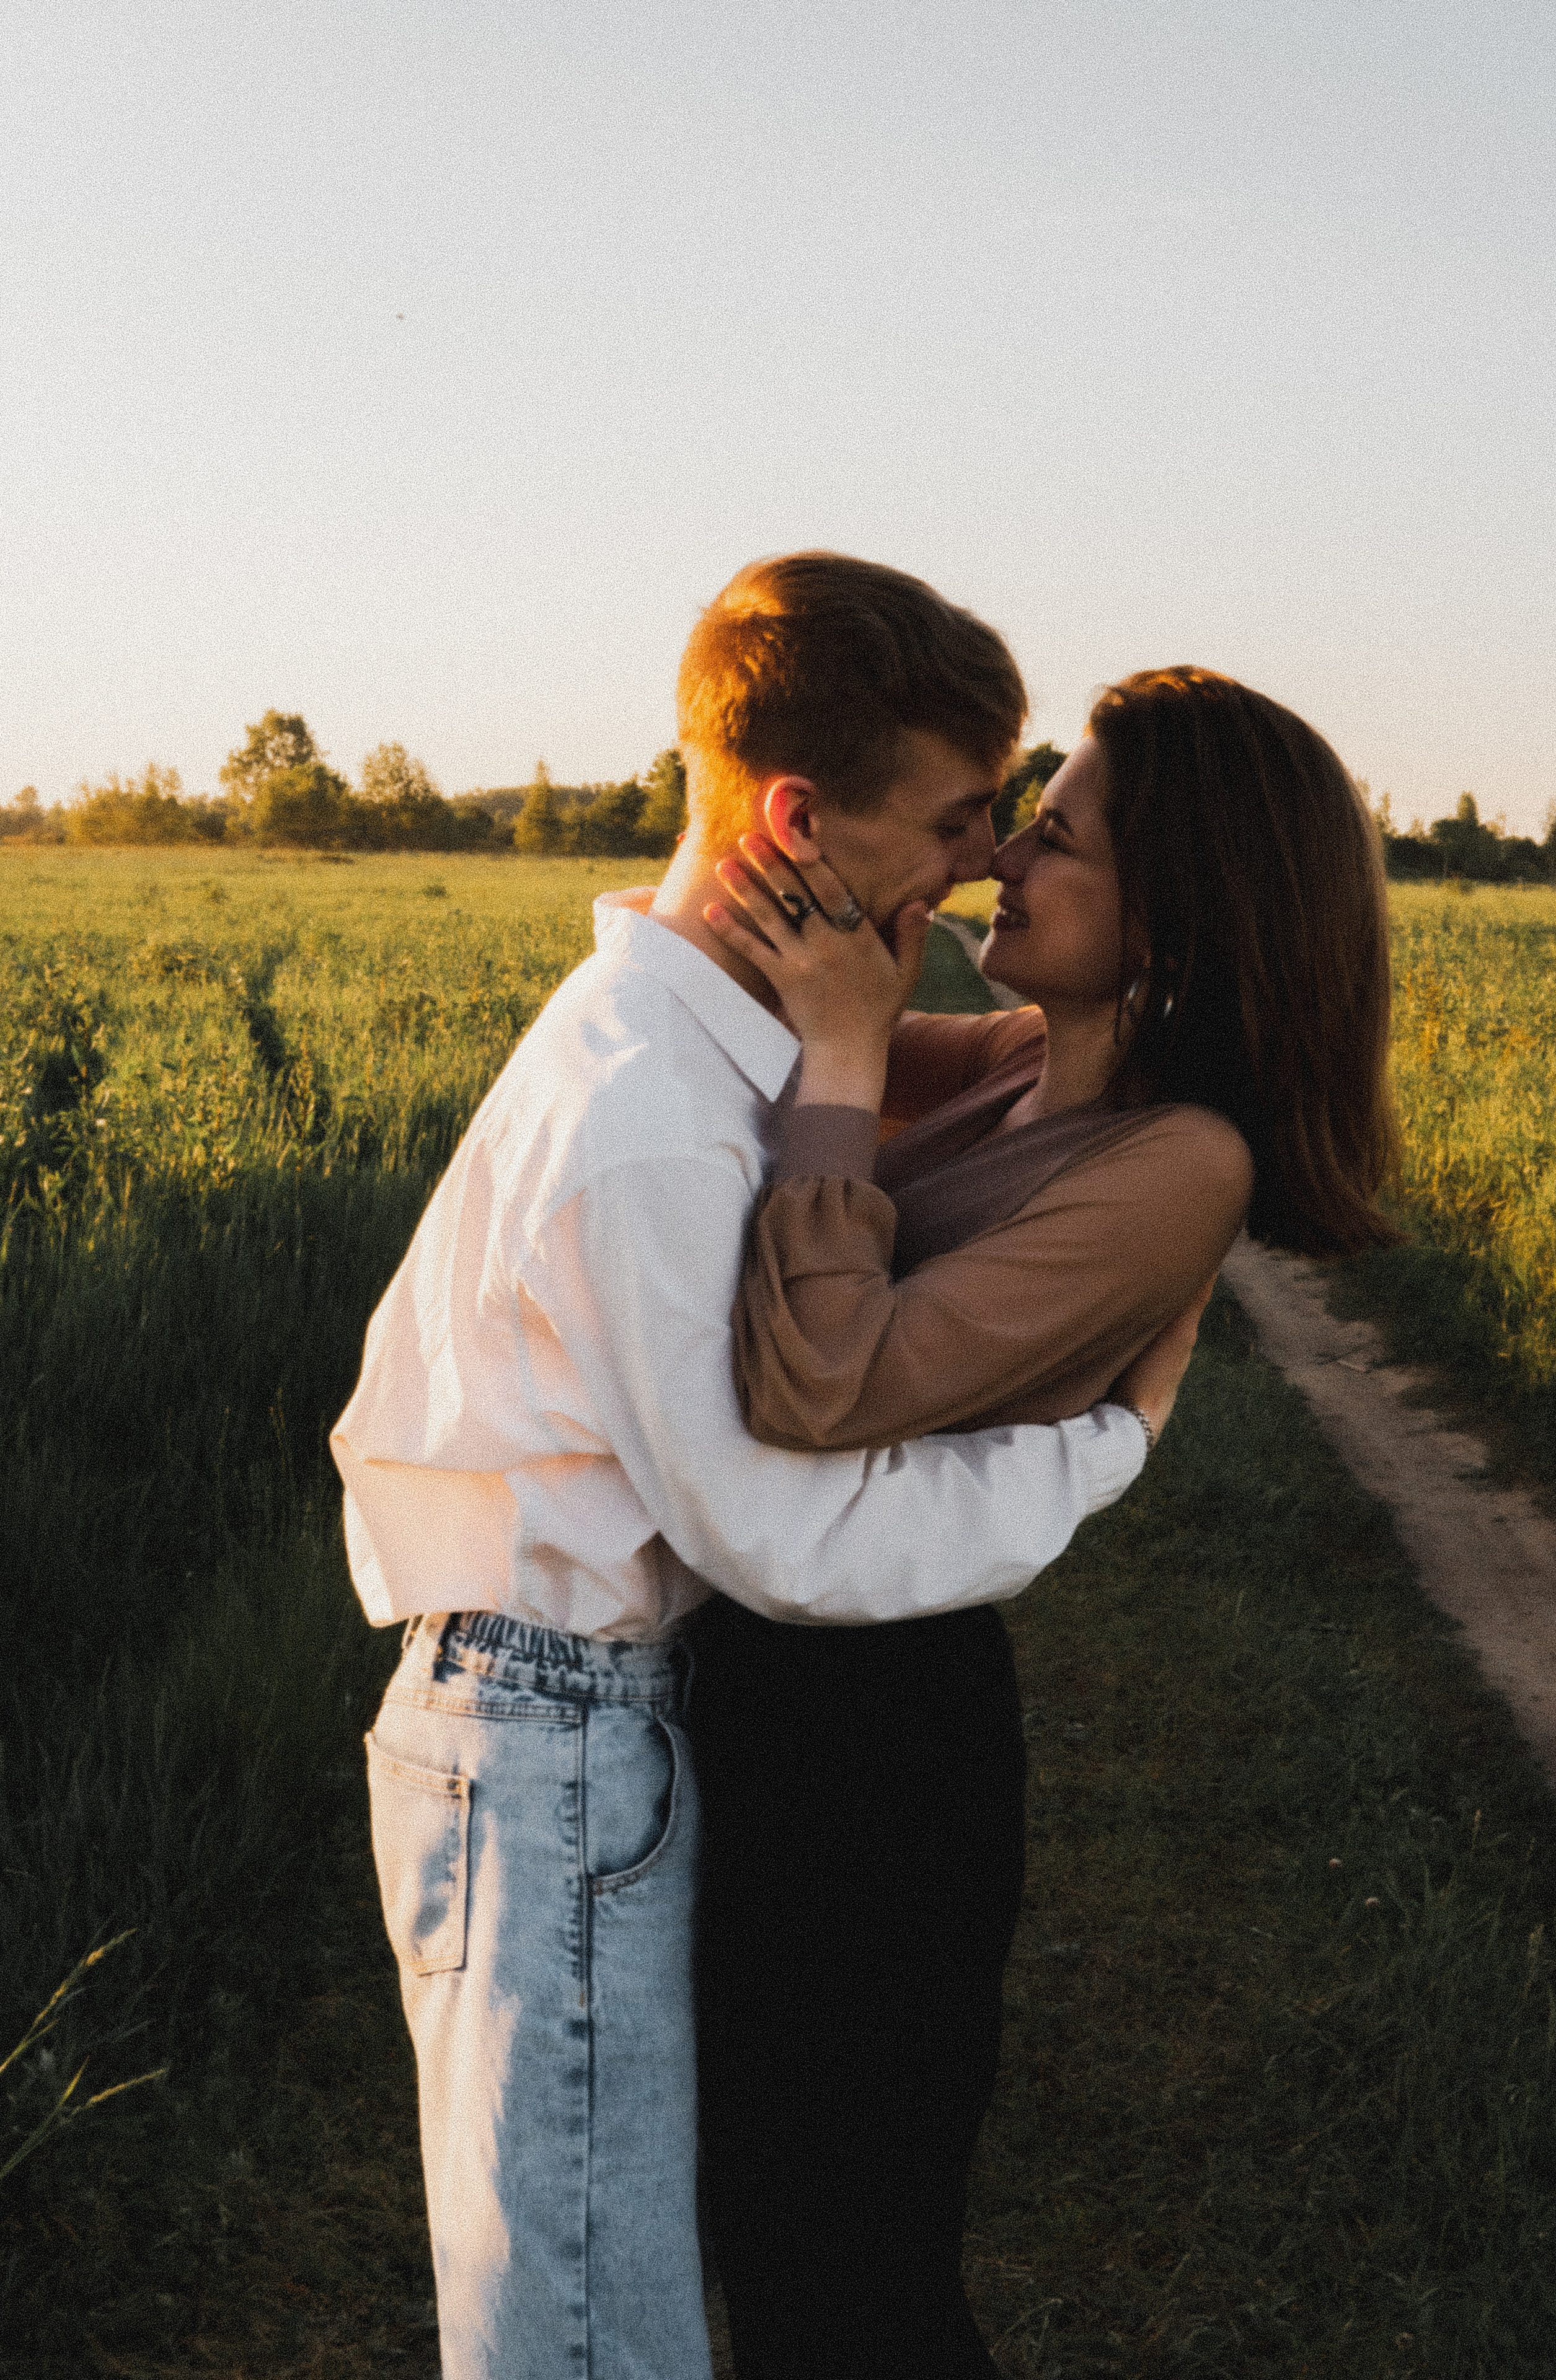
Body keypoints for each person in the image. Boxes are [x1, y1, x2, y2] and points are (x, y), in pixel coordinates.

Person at [331, 558, 1206, 2380]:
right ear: (799, 821)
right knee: (585, 2344)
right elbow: (777, 1527)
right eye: (963, 818)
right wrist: (1099, 1451)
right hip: (547, 1733)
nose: (979, 864)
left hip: (588, 1724)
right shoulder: (654, 1113)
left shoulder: (706, 1058)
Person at [689, 664, 1397, 2380]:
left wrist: (852, 1059)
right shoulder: (1015, 1067)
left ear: (1179, 903)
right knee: (769, 2242)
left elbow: (827, 1385)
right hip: (779, 1690)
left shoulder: (1180, 1165)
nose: (1005, 854)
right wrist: (790, 849)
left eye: (1055, 833)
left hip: (886, 1757)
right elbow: (754, 1013)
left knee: (852, 2282)